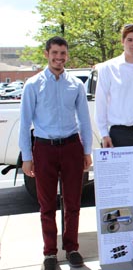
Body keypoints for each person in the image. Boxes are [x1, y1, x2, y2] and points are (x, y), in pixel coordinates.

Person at [19, 36, 93, 270]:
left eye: (63, 53)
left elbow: (84, 120)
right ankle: (50, 252)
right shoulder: (33, 84)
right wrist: (27, 157)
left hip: (72, 147)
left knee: (73, 202)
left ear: (67, 55)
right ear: (46, 54)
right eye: (55, 53)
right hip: (44, 149)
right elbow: (24, 123)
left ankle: (72, 248)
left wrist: (87, 151)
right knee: (47, 204)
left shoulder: (76, 84)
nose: (59, 58)